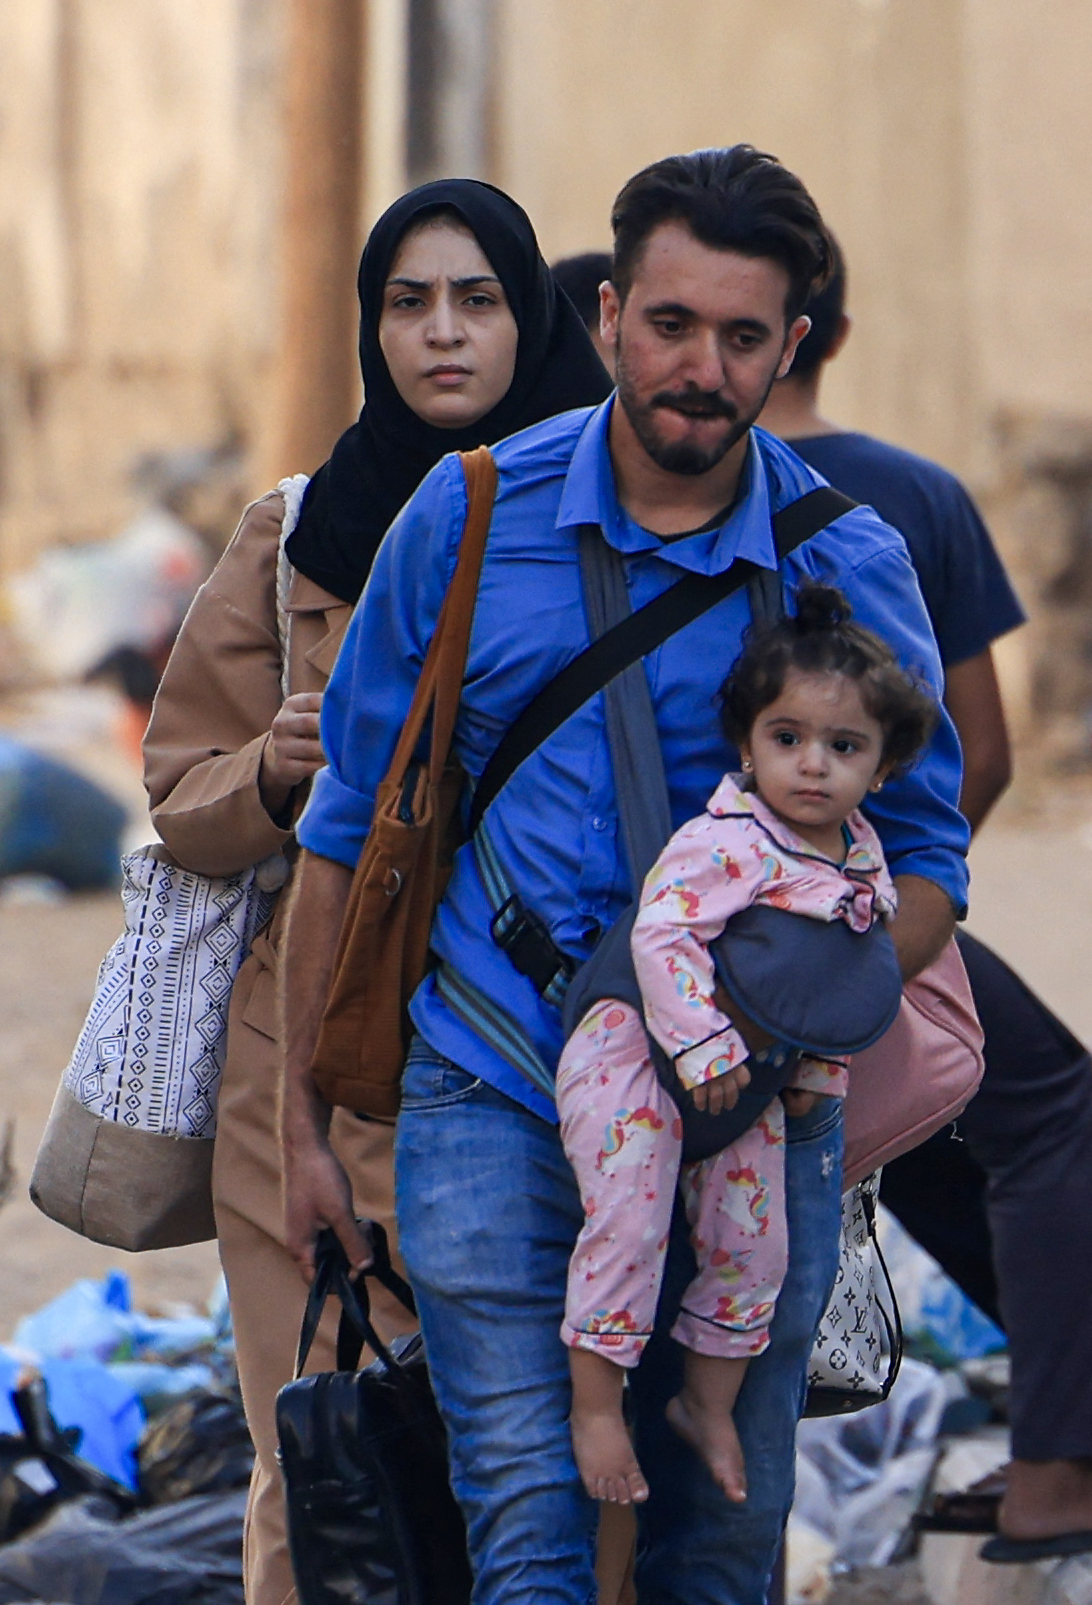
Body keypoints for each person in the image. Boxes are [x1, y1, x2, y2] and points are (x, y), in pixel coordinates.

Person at [273, 145, 969, 1602]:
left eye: (738, 337)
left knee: (713, 1542)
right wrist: (302, 1130)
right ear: (602, 319)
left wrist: (796, 1018)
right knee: (518, 1521)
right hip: (495, 1074)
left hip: (753, 1120)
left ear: (788, 348)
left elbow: (924, 862)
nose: (696, 369)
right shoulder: (464, 519)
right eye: (667, 324)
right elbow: (346, 832)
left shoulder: (842, 561)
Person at [141, 177, 609, 1605]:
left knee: (528, 1451)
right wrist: (271, 780)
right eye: (406, 304)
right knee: (321, 1456)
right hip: (308, 1052)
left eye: (477, 300)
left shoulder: (604, 533)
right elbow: (175, 794)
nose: (441, 336)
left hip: (542, 1048)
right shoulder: (295, 540)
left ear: (528, 317)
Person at [760, 244, 1092, 1563]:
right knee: (1032, 1104)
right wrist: (897, 906)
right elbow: (984, 749)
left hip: (695, 909)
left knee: (934, 1124)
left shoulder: (638, 489)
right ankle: (1055, 1466)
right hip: (879, 895)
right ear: (832, 334)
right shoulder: (910, 494)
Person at [561, 585, 934, 1509]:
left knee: (753, 1248)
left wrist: (814, 1070)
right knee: (630, 1218)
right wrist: (700, 1043)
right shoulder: (725, 840)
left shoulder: (859, 858)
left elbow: (836, 984)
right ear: (746, 744)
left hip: (751, 1086)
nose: (812, 766)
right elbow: (661, 936)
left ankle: (706, 1400)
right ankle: (595, 1405)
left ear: (881, 767)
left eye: (843, 747)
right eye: (786, 738)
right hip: (636, 1056)